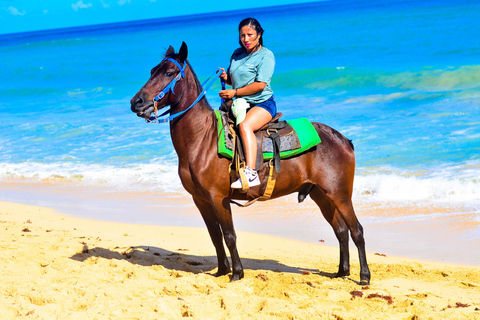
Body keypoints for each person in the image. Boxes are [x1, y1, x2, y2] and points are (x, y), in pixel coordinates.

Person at [219, 17, 276, 189]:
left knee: (244, 126)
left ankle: (251, 173)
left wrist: (234, 93)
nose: (246, 39)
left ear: (259, 34)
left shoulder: (266, 56)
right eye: (242, 35)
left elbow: (260, 85)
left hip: (262, 103)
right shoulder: (237, 54)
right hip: (241, 103)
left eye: (250, 34)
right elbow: (237, 81)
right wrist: (226, 78)